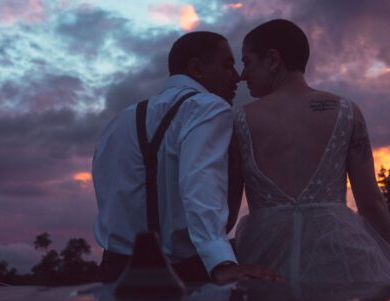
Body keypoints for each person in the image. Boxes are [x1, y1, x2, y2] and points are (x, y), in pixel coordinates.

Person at [231, 19, 390, 290]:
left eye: (247, 62)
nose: (242, 75)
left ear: (273, 59)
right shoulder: (346, 111)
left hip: (264, 258)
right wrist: (389, 266)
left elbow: (225, 213)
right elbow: (371, 203)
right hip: (339, 258)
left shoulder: (238, 121)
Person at [92, 30, 278, 284]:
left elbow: (107, 195)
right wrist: (220, 261)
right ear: (196, 69)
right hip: (183, 274)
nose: (236, 77)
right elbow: (201, 182)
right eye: (227, 65)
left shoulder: (118, 121)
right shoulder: (208, 107)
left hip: (114, 273)